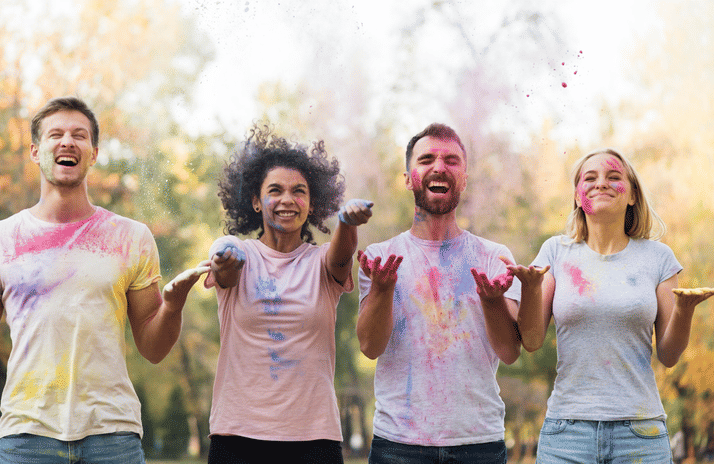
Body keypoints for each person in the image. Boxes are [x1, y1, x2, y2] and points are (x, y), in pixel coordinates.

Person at [0, 96, 210, 463]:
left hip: (111, 436)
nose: (67, 142)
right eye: (55, 134)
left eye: (79, 135)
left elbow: (153, 349)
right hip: (27, 437)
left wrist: (172, 305)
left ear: (93, 153)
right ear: (35, 151)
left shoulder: (130, 237)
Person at [507, 148, 714, 463]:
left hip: (640, 434)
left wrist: (684, 311)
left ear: (632, 195)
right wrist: (531, 289)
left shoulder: (658, 258)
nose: (600, 184)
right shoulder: (555, 252)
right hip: (567, 435)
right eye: (589, 178)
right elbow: (532, 341)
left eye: (613, 177)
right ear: (578, 197)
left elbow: (669, 356)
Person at [203, 124, 373, 464]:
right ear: (255, 200)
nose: (287, 199)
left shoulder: (321, 263)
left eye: (299, 191)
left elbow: (341, 257)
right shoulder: (241, 254)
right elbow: (224, 261)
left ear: (311, 204)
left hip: (313, 440)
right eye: (275, 190)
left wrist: (348, 223)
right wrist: (223, 254)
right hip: (238, 437)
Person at [357, 123, 522, 464]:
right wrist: (383, 290)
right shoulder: (379, 258)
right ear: (407, 177)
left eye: (451, 160)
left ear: (464, 178)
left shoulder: (495, 257)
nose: (439, 167)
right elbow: (370, 347)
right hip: (398, 445)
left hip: (478, 444)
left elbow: (509, 351)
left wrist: (492, 303)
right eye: (426, 158)